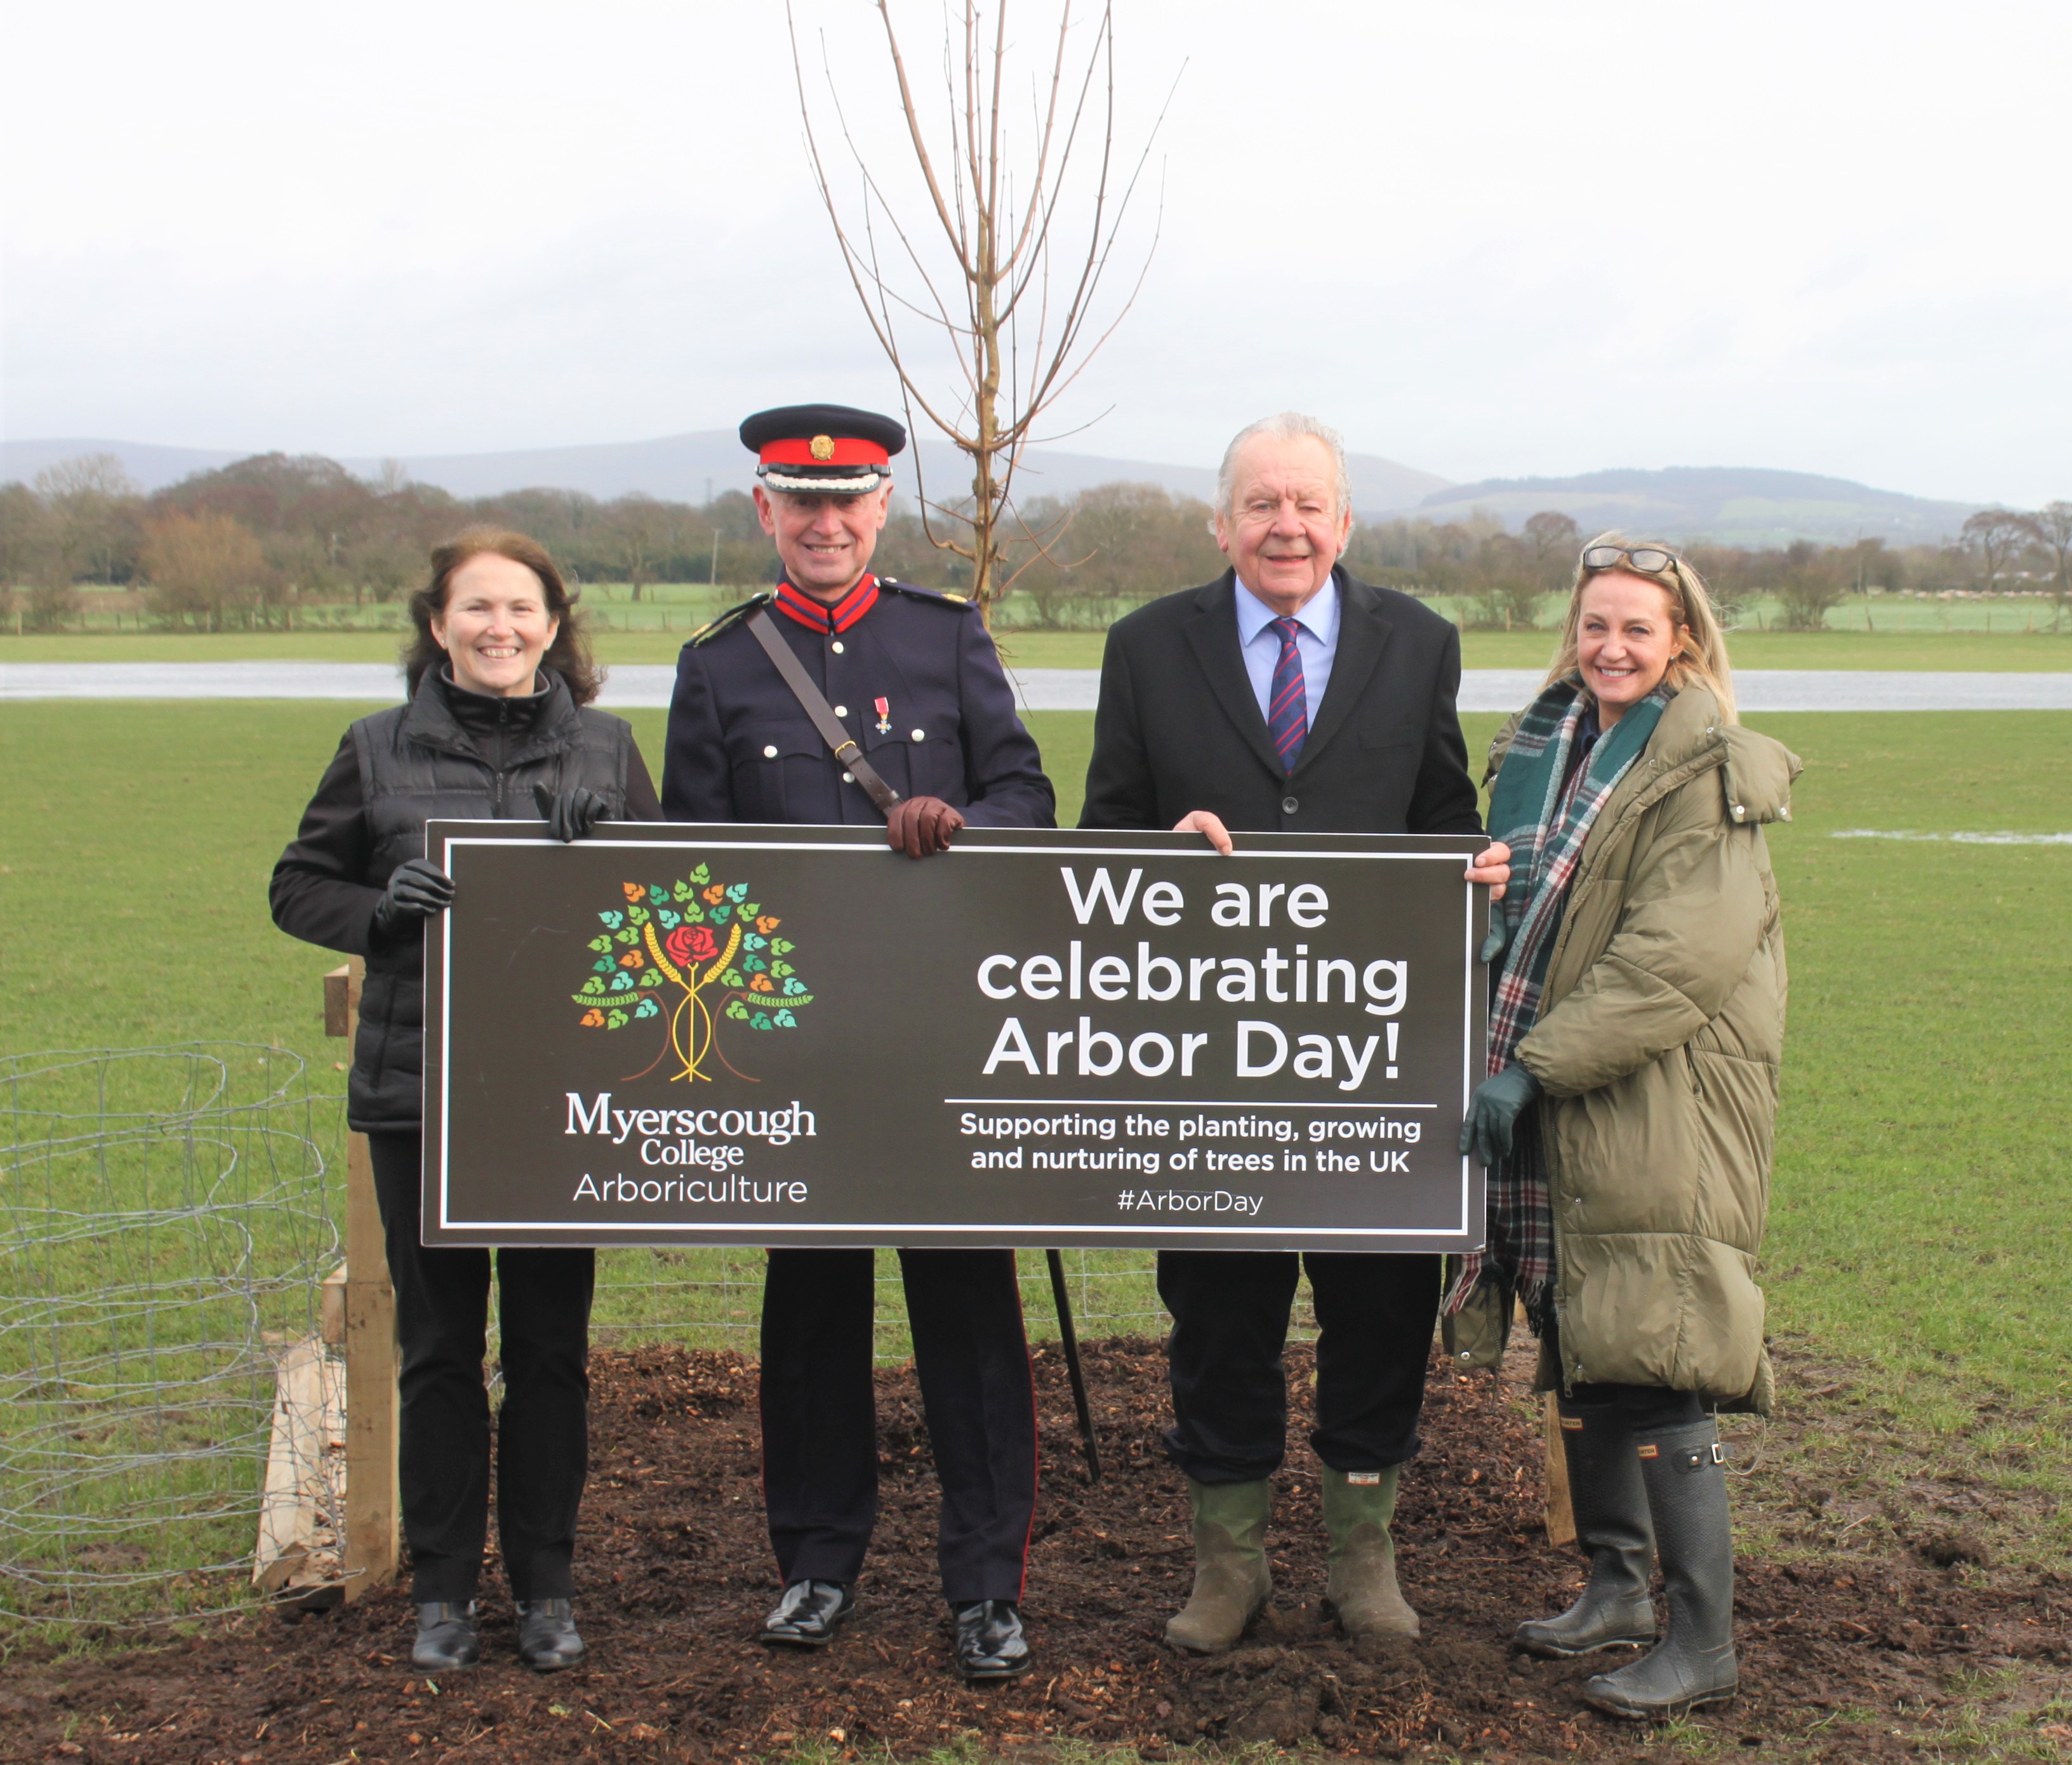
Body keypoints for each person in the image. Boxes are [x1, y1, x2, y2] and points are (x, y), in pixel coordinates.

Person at [1081, 411, 1510, 1655]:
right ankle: (1229, 1567)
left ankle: (1360, 1560)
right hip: (1207, 1057)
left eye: (1307, 503)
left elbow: (1442, 813)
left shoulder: (1418, 642)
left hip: (1368, 1055)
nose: (1285, 524)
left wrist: (1469, 863)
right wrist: (1153, 855)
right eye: (1260, 502)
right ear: (1221, 524)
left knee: (1379, 1302)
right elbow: (1102, 826)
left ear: (1344, 523)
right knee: (1218, 1312)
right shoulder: (1147, 645)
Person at [663, 403, 1056, 1681]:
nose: (825, 522)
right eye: (799, 502)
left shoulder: (945, 638)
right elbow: (694, 862)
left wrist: (964, 822)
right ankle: (816, 1565)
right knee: (811, 1321)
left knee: (971, 1324)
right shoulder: (720, 664)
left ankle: (987, 1584)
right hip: (800, 1051)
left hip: (939, 1039)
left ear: (883, 507)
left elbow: (1026, 796)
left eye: (849, 502)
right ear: (765, 512)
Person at [271, 530, 662, 1673]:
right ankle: (442, 1592)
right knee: (440, 1347)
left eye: (522, 607)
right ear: (438, 625)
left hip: (560, 1093)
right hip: (421, 1093)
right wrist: (380, 915)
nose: (501, 626)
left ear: (555, 623)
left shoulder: (606, 748)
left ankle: (546, 1587)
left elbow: (667, 893)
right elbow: (299, 885)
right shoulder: (375, 749)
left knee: (550, 1349)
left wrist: (617, 856)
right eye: (477, 607)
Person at [1449, 535, 1798, 1721]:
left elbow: (1669, 965)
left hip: (1653, 1100)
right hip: (1557, 1088)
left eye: (1638, 630)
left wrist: (1530, 1069)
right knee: (1584, 1331)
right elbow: (1528, 900)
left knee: (1659, 1354)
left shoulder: (1708, 772)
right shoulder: (1547, 747)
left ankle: (1702, 1638)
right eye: (1596, 625)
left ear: (1682, 643)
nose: (1612, 647)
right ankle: (1617, 1586)